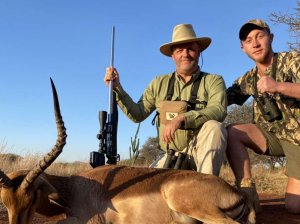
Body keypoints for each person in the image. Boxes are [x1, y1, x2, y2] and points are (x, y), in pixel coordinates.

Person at [104, 23, 227, 176]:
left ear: (199, 51)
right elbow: (138, 114)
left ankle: (207, 188)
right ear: (172, 55)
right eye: (180, 50)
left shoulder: (213, 80)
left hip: (199, 154)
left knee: (215, 127)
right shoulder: (158, 83)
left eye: (190, 49)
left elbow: (219, 110)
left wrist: (182, 118)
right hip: (169, 156)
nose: (185, 54)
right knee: (146, 187)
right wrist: (117, 88)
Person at [226, 19, 300, 213]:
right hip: (273, 137)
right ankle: (247, 191)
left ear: (271, 37)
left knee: (294, 206)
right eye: (249, 40)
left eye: (260, 36)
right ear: (243, 48)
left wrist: (278, 86)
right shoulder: (247, 79)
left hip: (298, 140)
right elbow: (221, 99)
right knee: (231, 132)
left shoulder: (292, 60)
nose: (255, 43)